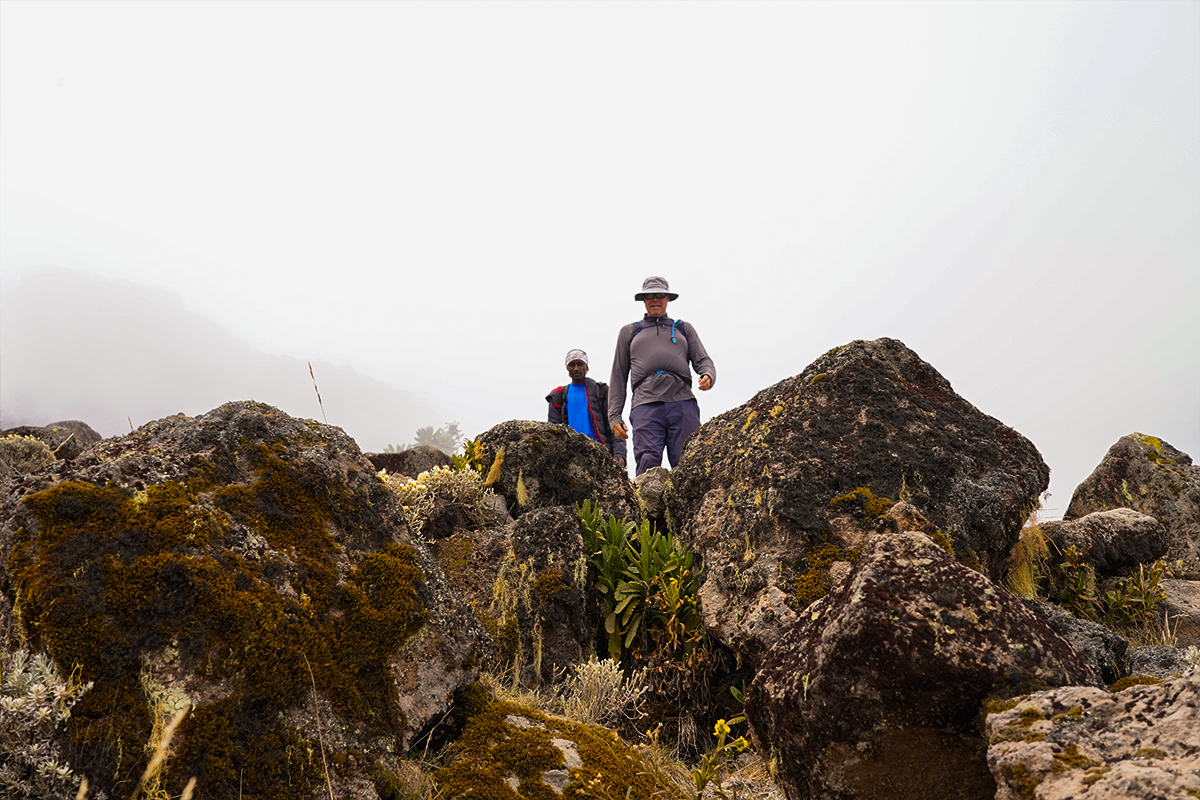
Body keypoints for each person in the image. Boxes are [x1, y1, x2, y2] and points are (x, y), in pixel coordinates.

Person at [608, 276, 715, 476]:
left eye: (660, 295)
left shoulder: (683, 329)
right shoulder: (630, 332)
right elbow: (618, 376)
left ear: (668, 299)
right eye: (649, 295)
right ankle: (647, 507)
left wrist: (708, 374)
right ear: (643, 300)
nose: (655, 299)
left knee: (689, 462)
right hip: (645, 405)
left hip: (682, 403)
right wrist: (614, 416)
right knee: (648, 460)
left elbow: (703, 360)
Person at [546, 349, 627, 466]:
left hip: (601, 454)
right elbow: (552, 432)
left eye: (580, 364)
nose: (576, 368)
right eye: (572, 365)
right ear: (567, 369)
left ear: (587, 367)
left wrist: (620, 455)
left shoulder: (601, 391)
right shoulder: (558, 396)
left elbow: (614, 425)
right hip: (571, 457)